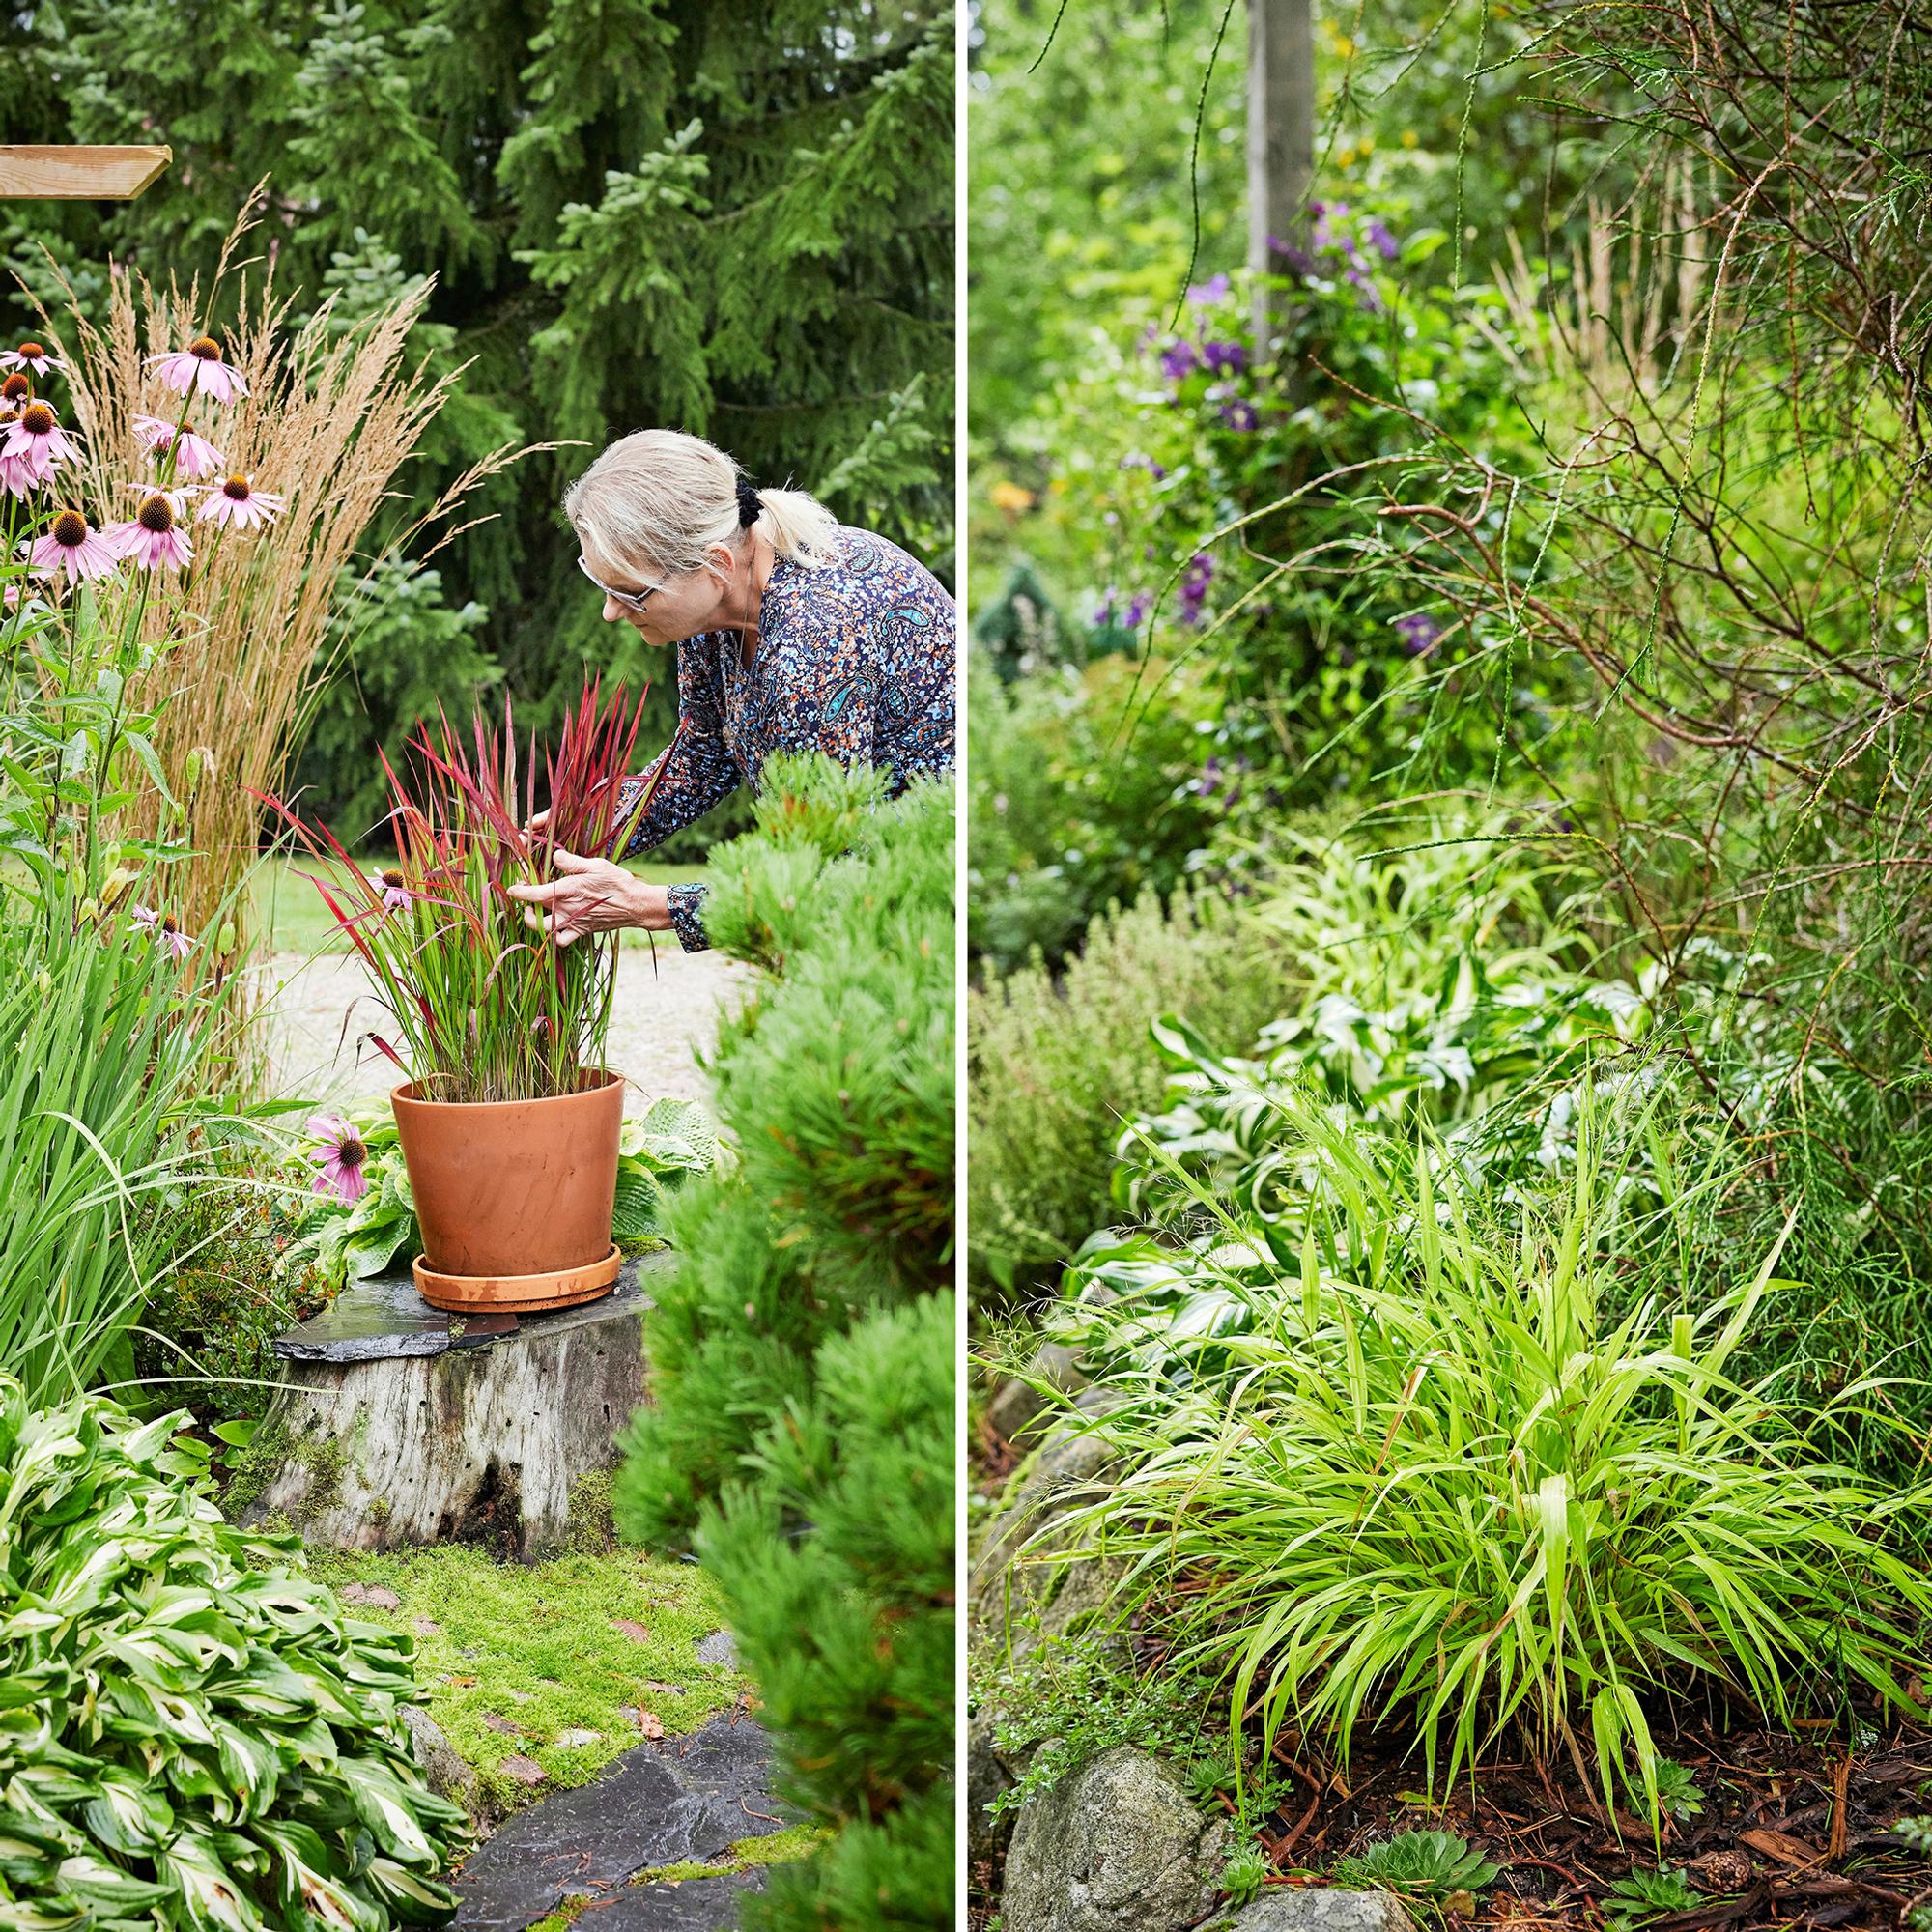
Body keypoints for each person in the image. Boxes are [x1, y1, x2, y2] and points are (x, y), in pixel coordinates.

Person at [508, 429, 954, 951]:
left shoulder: (813, 643)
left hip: (929, 908)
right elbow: (704, 753)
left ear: (715, 564)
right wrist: (581, 829)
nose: (610, 611)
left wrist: (647, 904)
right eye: (601, 585)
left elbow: (828, 875)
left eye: (629, 592)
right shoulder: (721, 606)